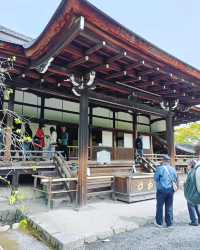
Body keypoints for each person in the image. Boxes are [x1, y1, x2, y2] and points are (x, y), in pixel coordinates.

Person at [154, 154, 178, 227]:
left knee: (160, 206)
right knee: (169, 206)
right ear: (168, 161)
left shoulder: (160, 168)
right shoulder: (173, 169)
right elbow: (176, 178)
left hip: (161, 190)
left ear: (163, 161)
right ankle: (169, 222)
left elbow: (156, 178)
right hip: (170, 190)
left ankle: (159, 222)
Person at [186, 159, 200, 226]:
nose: (187, 166)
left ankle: (194, 221)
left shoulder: (192, 172)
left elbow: (190, 183)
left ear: (191, 165)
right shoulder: (196, 171)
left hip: (192, 192)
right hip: (196, 192)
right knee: (196, 205)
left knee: (190, 205)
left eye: (188, 164)